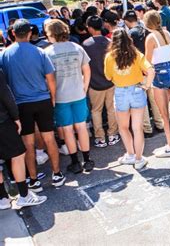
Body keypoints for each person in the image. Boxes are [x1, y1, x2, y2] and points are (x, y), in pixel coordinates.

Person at [1, 19, 65, 192]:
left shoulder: (5, 55)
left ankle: (34, 179)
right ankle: (57, 173)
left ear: (13, 33)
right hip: (42, 100)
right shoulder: (39, 52)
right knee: (49, 138)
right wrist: (52, 98)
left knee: (27, 143)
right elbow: (50, 78)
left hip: (21, 104)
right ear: (30, 33)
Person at [44, 20, 94, 173]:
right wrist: (84, 87)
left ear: (51, 34)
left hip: (60, 96)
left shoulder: (48, 52)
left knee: (67, 130)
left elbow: (49, 78)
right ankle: (87, 159)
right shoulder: (77, 48)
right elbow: (87, 70)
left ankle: (75, 162)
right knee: (81, 127)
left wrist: (52, 97)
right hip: (78, 93)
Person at [104, 29, 154, 170]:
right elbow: (150, 70)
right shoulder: (136, 54)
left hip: (120, 92)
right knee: (137, 128)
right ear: (128, 39)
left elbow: (108, 77)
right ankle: (139, 159)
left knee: (123, 127)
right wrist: (146, 86)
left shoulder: (109, 57)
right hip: (137, 90)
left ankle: (130, 154)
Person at [0, 70, 47, 209]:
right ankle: (24, 195)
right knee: (18, 155)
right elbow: (6, 95)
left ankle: (2, 198)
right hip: (2, 121)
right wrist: (16, 117)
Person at [82, 16, 120, 148]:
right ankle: (113, 134)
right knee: (111, 109)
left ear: (90, 28)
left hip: (94, 84)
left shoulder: (85, 45)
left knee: (96, 111)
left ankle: (100, 137)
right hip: (110, 82)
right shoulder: (109, 41)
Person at [143, 11, 170, 157]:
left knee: (164, 114)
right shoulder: (167, 33)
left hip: (159, 74)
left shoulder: (150, 38)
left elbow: (146, 62)